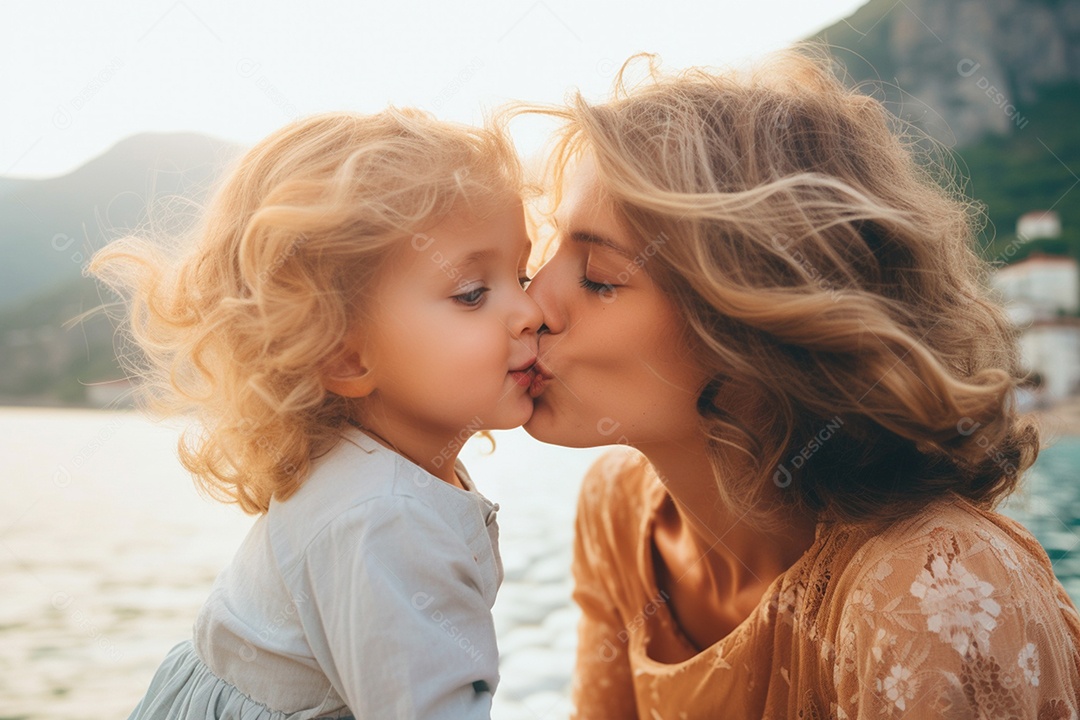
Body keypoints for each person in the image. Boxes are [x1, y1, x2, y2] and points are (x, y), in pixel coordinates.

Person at [520, 49, 1080, 718]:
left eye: (600, 278)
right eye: (548, 251)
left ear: (758, 327)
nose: (529, 304)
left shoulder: (933, 593)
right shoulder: (616, 512)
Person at [89, 108, 543, 719]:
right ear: (346, 356)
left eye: (521, 273)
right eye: (472, 293)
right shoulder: (385, 517)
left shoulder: (374, 473)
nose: (530, 310)